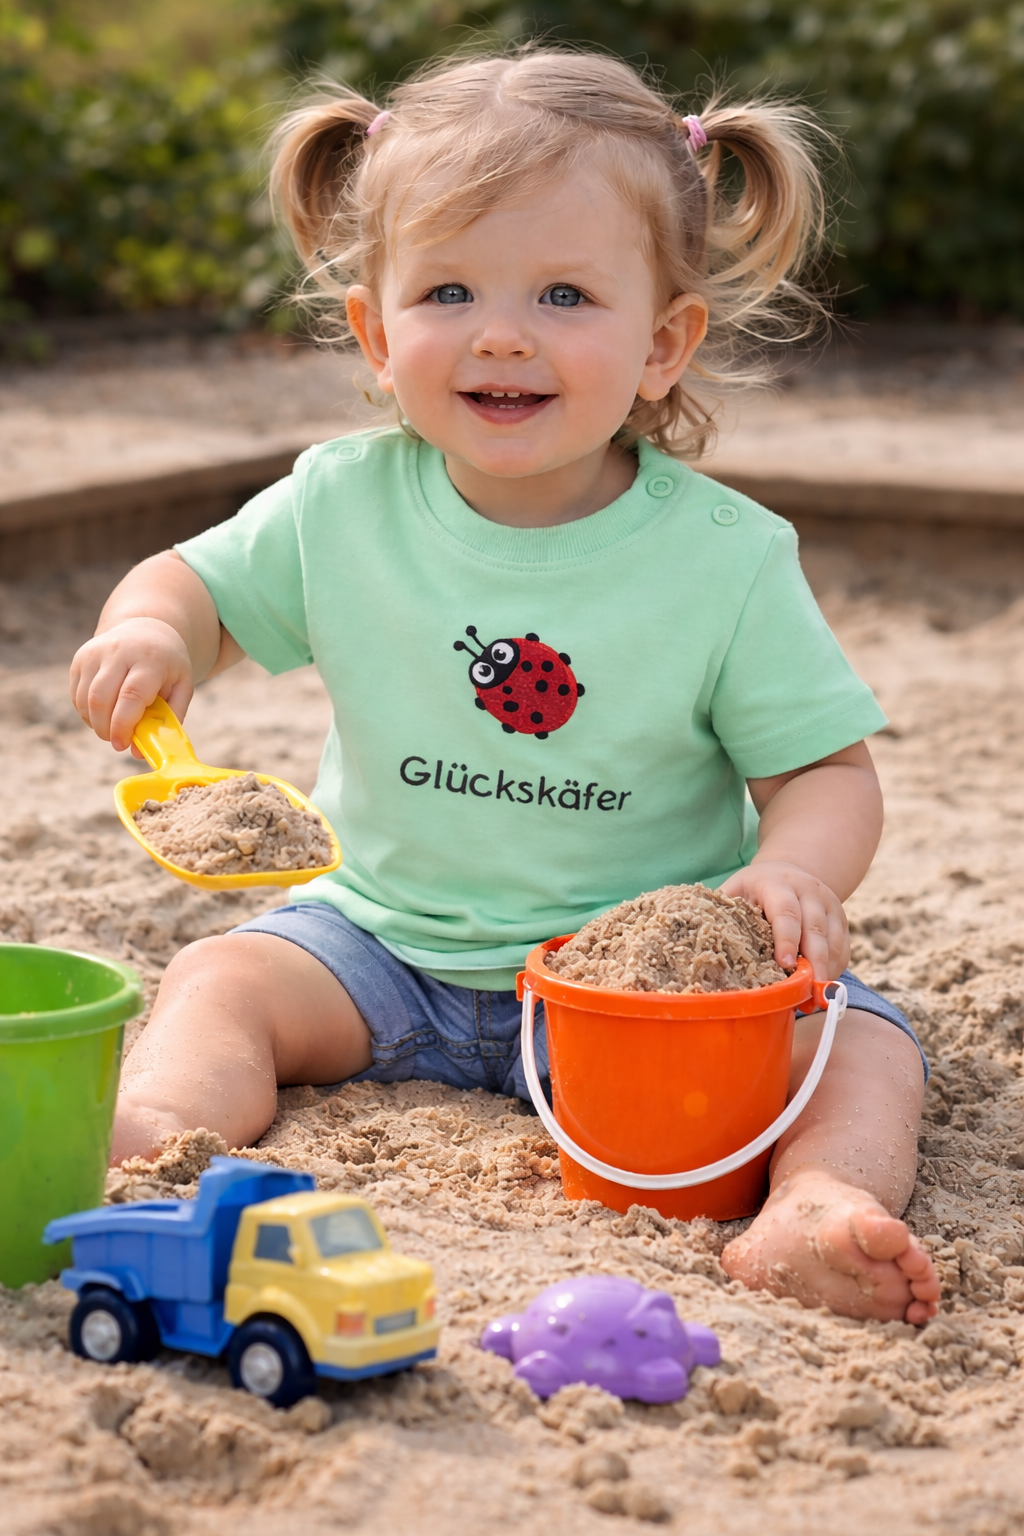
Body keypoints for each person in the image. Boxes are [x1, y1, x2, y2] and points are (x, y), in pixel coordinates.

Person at [70, 47, 939, 1325]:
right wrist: (151, 632)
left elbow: (821, 771)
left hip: (635, 986)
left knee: (863, 1043)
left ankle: (809, 1205)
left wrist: (791, 872)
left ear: (664, 342)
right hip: (372, 942)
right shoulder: (338, 504)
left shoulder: (723, 559)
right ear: (374, 331)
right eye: (449, 289)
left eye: (566, 294)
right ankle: (152, 1142)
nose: (501, 332)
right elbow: (190, 589)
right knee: (217, 984)